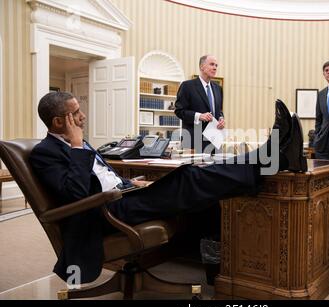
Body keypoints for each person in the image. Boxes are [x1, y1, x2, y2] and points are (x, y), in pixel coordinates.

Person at [30, 92, 303, 283]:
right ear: (58, 122)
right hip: (104, 213)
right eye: (76, 112)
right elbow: (75, 194)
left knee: (196, 174)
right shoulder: (46, 152)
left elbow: (100, 176)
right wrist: (78, 146)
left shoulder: (75, 141)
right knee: (189, 179)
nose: (83, 115)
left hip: (122, 197)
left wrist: (129, 183)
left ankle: (270, 156)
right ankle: (271, 157)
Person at [175, 55, 225, 153]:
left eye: (216, 65)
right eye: (211, 64)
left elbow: (219, 111)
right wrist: (199, 116)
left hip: (214, 141)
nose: (215, 67)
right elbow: (179, 111)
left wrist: (221, 119)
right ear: (202, 67)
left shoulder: (218, 89)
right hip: (193, 141)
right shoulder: (187, 86)